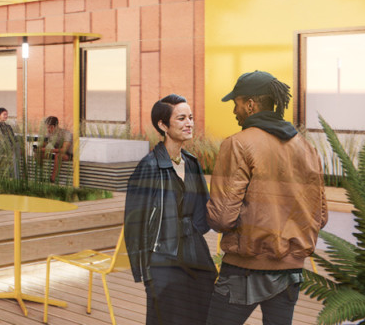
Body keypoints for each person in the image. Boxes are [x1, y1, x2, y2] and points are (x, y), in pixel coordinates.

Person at [205, 72, 326, 325]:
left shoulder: (237, 144)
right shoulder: (307, 147)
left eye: (236, 103)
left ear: (251, 104)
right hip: (291, 271)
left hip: (245, 269)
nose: (234, 110)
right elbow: (321, 216)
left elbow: (223, 218)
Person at [125, 94, 216, 324]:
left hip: (196, 256)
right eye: (181, 118)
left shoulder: (193, 162)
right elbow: (134, 223)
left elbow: (202, 209)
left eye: (191, 117)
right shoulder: (149, 166)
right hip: (163, 259)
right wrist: (146, 274)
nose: (189, 123)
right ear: (163, 125)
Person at [35, 116, 74, 183]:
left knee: (58, 156)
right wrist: (38, 148)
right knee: (38, 155)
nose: (48, 130)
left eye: (49, 127)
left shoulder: (66, 134)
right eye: (47, 127)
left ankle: (52, 179)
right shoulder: (49, 134)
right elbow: (43, 145)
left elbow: (63, 150)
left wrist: (46, 150)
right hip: (56, 153)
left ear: (55, 126)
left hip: (68, 155)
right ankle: (42, 176)